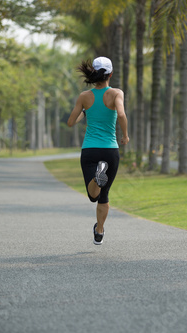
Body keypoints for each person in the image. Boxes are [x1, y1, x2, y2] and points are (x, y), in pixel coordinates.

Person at [67, 56, 129, 245]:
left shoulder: (84, 96)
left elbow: (70, 122)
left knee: (93, 195)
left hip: (90, 150)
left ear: (93, 73)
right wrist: (125, 135)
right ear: (110, 74)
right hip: (110, 150)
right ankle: (99, 231)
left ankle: (97, 175)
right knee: (103, 195)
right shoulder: (117, 93)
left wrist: (85, 112)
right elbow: (120, 114)